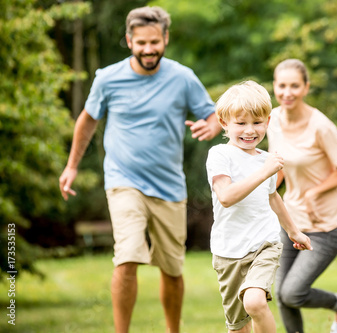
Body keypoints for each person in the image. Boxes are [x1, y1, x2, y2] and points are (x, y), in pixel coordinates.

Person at [58, 6, 221, 333]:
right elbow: (87, 122)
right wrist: (72, 166)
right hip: (123, 181)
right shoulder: (108, 78)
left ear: (165, 38)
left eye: (155, 42)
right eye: (141, 42)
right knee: (128, 256)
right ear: (130, 40)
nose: (149, 50)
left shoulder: (182, 77)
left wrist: (212, 127)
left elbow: (214, 113)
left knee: (172, 270)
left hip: (170, 186)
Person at [206, 80, 313, 333]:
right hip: (228, 251)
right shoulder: (220, 155)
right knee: (237, 326)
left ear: (267, 121)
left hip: (264, 244)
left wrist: (293, 231)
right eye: (241, 123)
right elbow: (227, 196)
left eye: (257, 122)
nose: (249, 130)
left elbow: (273, 197)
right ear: (224, 123)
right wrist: (265, 172)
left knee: (254, 302)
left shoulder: (266, 160)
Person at [267, 59, 337, 333]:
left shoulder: (321, 126)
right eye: (282, 85)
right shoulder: (273, 120)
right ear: (274, 87)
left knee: (292, 292)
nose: (288, 92)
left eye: (295, 85)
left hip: (327, 222)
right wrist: (263, 190)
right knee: (282, 295)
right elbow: (279, 166)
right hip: (292, 219)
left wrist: (316, 191)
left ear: (306, 87)